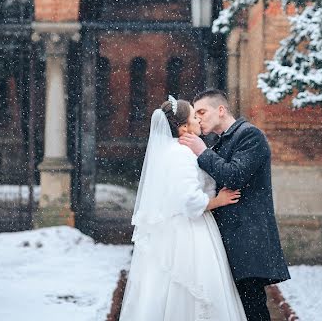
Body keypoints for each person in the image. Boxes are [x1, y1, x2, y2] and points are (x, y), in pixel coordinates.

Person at [119, 97, 248, 321]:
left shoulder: (168, 151)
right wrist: (218, 200)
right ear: (184, 128)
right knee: (192, 290)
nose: (199, 119)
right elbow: (189, 200)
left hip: (174, 229)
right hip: (189, 232)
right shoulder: (182, 153)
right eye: (193, 116)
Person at [179, 89, 290, 321]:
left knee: (253, 309)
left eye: (202, 112)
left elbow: (235, 176)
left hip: (247, 240)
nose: (198, 118)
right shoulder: (220, 143)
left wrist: (201, 151)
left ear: (221, 110)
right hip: (230, 240)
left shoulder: (250, 136)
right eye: (195, 114)